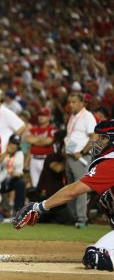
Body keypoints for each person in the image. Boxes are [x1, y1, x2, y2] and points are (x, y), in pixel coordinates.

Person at [12, 119, 114, 272]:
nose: (97, 142)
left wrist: (39, 206)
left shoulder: (111, 162)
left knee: (97, 258)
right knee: (93, 254)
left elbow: (73, 191)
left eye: (103, 138)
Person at [64, 92, 97, 228]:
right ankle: (73, 218)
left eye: (74, 102)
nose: (71, 105)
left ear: (82, 103)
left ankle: (82, 219)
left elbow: (94, 137)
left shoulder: (88, 116)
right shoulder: (73, 116)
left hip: (81, 158)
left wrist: (82, 152)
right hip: (70, 156)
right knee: (70, 188)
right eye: (70, 102)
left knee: (80, 189)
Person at [26, 107, 56, 188]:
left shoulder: (52, 128)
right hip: (34, 160)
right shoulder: (33, 128)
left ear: (49, 117)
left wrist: (35, 139)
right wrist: (42, 139)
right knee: (35, 186)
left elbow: (48, 141)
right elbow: (28, 139)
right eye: (40, 115)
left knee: (47, 185)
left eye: (44, 115)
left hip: (46, 160)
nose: (41, 117)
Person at [0, 134, 25, 219]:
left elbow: (20, 172)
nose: (14, 146)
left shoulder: (19, 153)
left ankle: (19, 214)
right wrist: (6, 153)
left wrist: (15, 173)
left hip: (10, 180)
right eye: (13, 143)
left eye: (17, 144)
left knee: (20, 183)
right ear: (9, 143)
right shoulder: (2, 149)